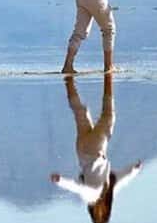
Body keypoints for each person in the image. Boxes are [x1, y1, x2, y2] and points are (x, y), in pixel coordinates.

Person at [50, 74, 142, 223]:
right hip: (82, 149)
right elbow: (122, 179)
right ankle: (68, 80)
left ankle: (108, 76)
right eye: (103, 213)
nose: (101, 210)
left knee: (109, 116)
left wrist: (61, 181)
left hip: (95, 150)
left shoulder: (93, 195)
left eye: (99, 214)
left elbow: (76, 187)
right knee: (81, 112)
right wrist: (134, 170)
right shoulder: (108, 190)